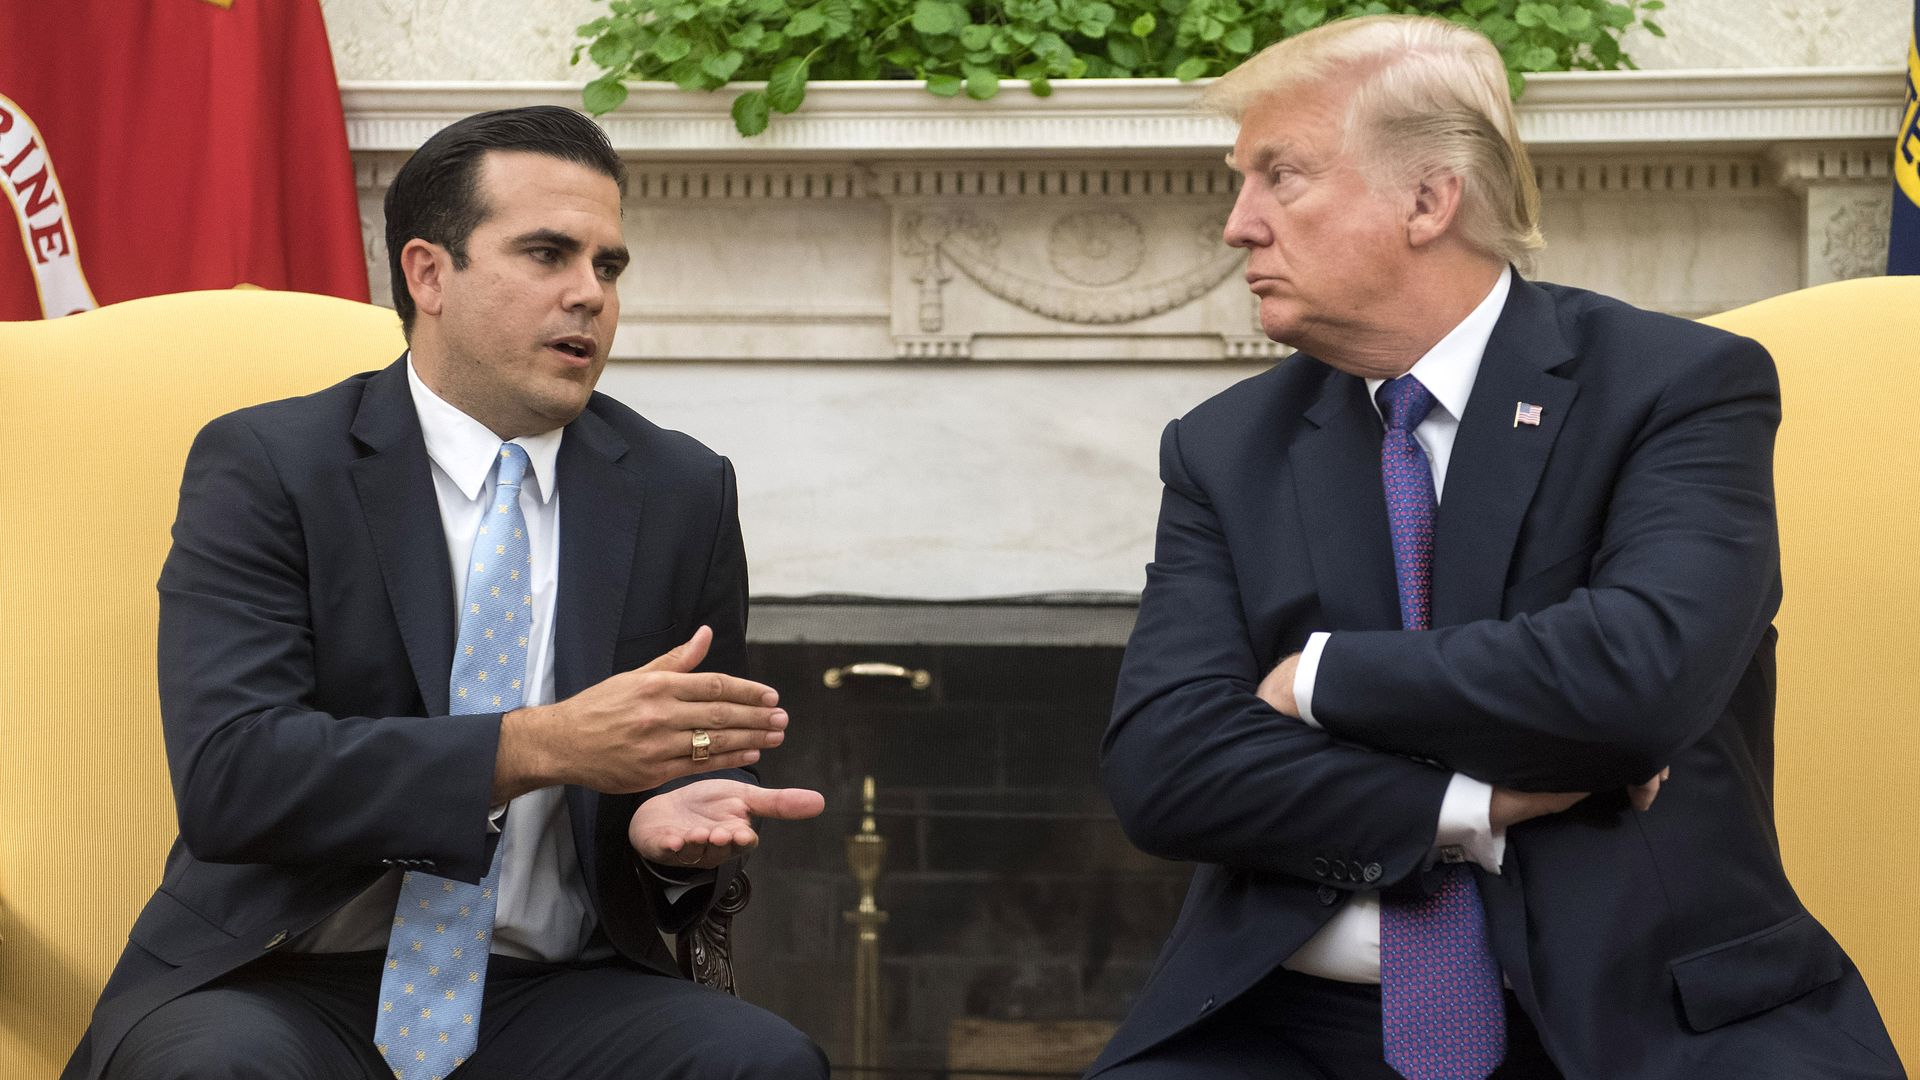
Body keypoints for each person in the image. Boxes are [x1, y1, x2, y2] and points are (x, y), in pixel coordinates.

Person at [1091, 16, 1904, 1080]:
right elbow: (1167, 769)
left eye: (1279, 177)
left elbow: (1636, 680)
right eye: (1240, 181)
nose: (1238, 225)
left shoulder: (1678, 388)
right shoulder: (1224, 449)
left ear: (1429, 200)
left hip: (1646, 1015)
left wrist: (1319, 678)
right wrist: (1475, 803)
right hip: (1284, 1017)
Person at [65, 106, 830, 1080]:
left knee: (761, 1063)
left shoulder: (681, 490)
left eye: (608, 266)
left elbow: (690, 751)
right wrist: (536, 745)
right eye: (548, 254)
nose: (588, 295)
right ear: (428, 273)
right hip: (285, 975)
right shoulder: (272, 465)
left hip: (556, 988)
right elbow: (234, 775)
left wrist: (669, 836)